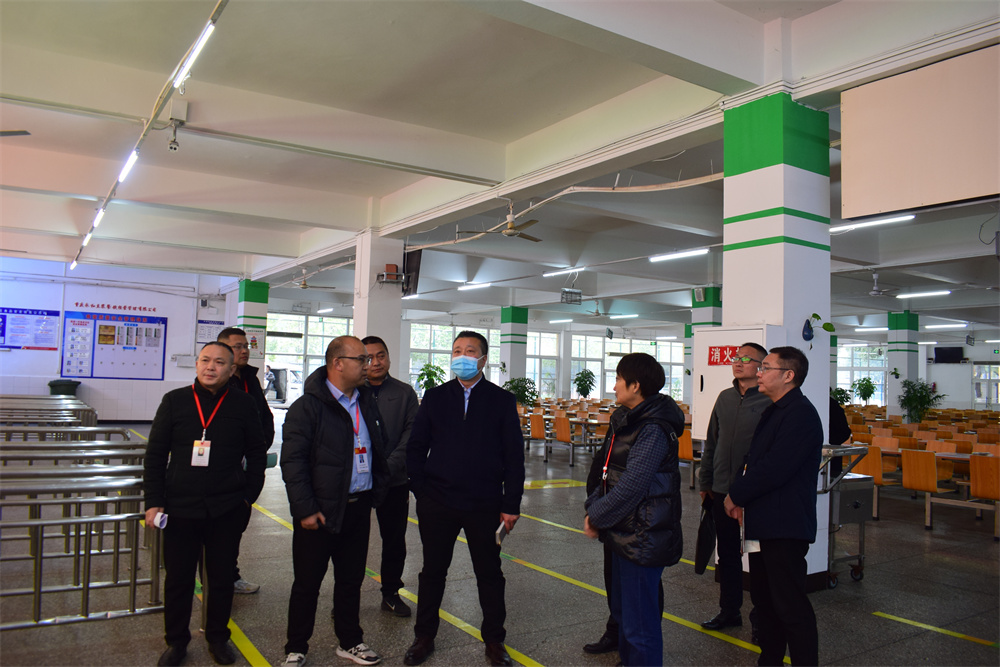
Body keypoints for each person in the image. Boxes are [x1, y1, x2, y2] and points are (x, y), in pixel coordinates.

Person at [403, 331, 525, 667]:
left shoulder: (501, 400)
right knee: (432, 572)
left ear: (483, 359)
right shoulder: (435, 397)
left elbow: (514, 457)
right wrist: (421, 491)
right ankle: (424, 637)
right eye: (457, 350)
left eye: (470, 351)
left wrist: (511, 504)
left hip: (484, 504)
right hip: (438, 502)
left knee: (489, 573)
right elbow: (416, 448)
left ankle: (494, 641)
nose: (462, 356)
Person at [144, 342, 267, 667]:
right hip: (179, 508)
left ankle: (217, 637)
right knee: (178, 580)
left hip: (226, 507)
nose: (211, 367)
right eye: (205, 360)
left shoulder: (242, 404)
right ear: (197, 364)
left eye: (219, 362)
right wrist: (154, 501)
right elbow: (155, 455)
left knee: (221, 579)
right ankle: (176, 642)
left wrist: (248, 497)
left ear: (231, 369)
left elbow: (257, 452)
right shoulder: (175, 401)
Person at [280, 336, 388, 667]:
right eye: (361, 359)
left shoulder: (366, 401)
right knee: (307, 583)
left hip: (358, 506)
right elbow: (293, 463)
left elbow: (378, 447)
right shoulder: (307, 407)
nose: (368, 365)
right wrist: (305, 508)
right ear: (338, 364)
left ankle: (350, 640)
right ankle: (296, 646)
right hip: (320, 512)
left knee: (351, 580)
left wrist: (377, 492)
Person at [583, 352, 685, 667]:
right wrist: (594, 504)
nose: (614, 386)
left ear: (635, 385)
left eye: (618, 379)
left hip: (642, 534)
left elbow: (632, 486)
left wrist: (596, 515)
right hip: (625, 529)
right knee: (627, 617)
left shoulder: (652, 429)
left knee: (640, 626)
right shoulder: (628, 420)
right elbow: (606, 473)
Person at [725, 346, 823, 667]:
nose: (759, 372)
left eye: (766, 367)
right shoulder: (775, 409)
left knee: (790, 605)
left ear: (788, 375)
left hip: (785, 526)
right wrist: (741, 495)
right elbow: (754, 460)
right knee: (765, 601)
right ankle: (769, 660)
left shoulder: (800, 414)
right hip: (764, 522)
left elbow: (775, 468)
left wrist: (736, 495)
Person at [698, 343, 770, 633]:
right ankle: (729, 612)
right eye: (736, 357)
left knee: (759, 558)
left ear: (761, 366)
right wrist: (706, 482)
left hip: (753, 495)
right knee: (727, 554)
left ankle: (762, 621)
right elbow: (712, 443)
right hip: (721, 490)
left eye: (746, 358)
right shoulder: (725, 397)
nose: (738, 362)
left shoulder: (768, 401)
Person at [356, 335, 419, 617]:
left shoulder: (405, 393)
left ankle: (391, 593)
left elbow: (411, 435)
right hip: (357, 482)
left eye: (381, 355)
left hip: (394, 480)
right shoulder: (351, 392)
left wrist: (387, 467)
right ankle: (346, 598)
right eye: (368, 357)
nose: (376, 362)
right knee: (351, 543)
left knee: (394, 540)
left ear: (389, 358)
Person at [217, 327, 275, 595]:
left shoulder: (251, 379)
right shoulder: (219, 381)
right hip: (224, 468)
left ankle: (231, 575)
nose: (244, 351)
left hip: (248, 467)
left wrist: (260, 447)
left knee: (237, 524)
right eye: (237, 346)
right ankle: (218, 579)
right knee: (219, 530)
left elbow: (264, 417)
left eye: (245, 346)